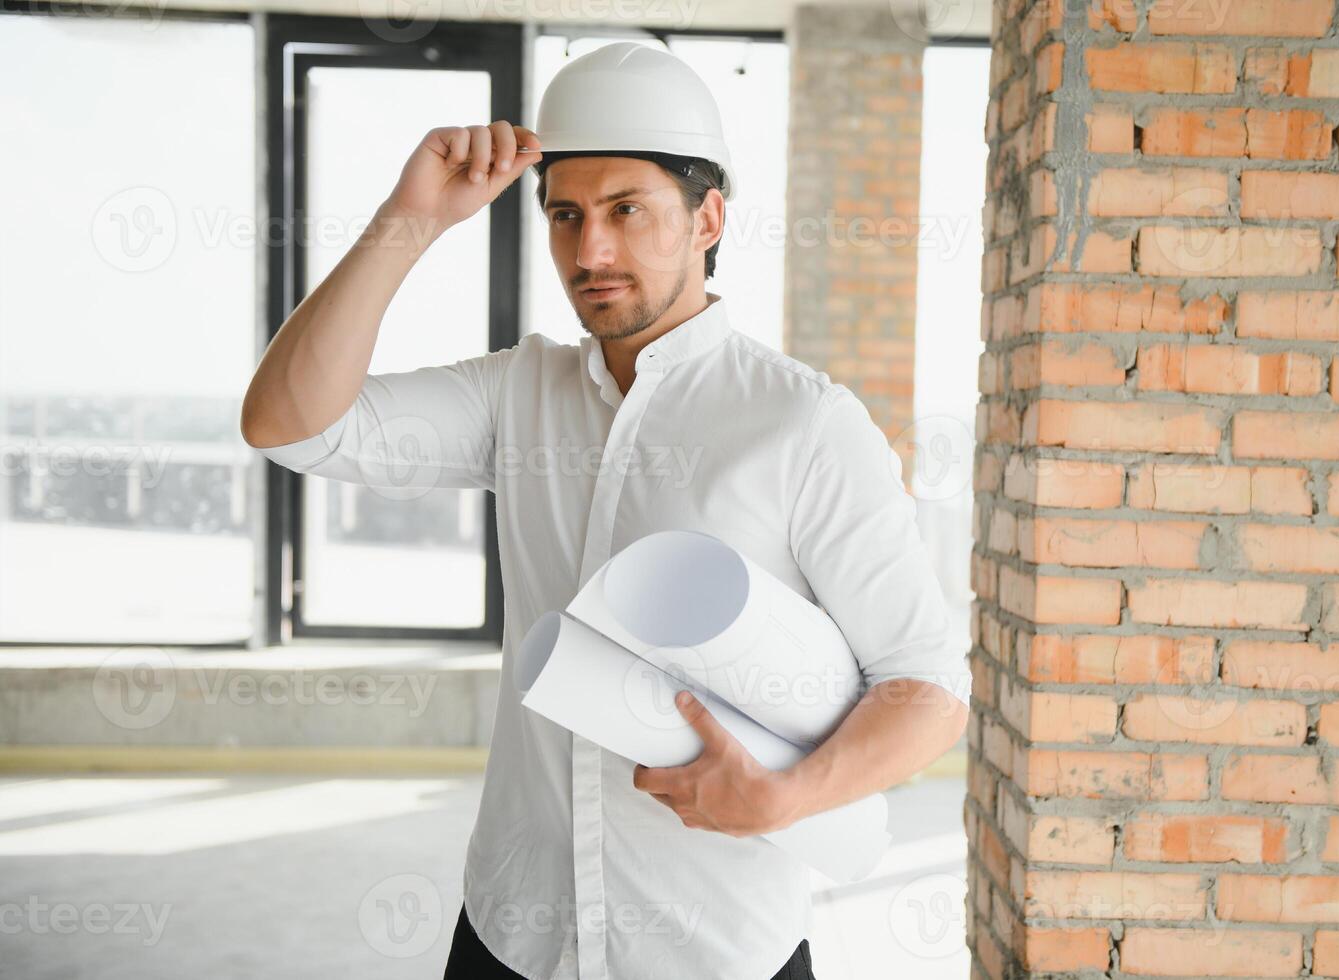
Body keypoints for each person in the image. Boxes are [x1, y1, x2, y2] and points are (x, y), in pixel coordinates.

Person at [240, 40, 970, 980]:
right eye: (566, 216)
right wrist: (408, 222)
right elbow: (291, 426)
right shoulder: (518, 394)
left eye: (628, 211)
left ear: (707, 217)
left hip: (715, 950)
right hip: (514, 932)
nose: (591, 251)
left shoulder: (802, 422)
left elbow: (924, 687)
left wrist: (785, 800)